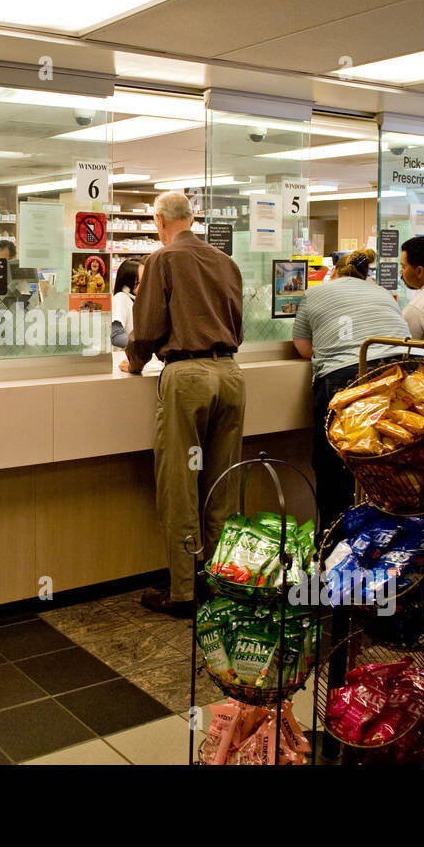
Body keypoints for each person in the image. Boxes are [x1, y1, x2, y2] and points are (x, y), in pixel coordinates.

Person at [120, 191, 244, 618]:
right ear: (192, 218)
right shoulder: (225, 262)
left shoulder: (162, 259)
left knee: (180, 484)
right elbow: (238, 328)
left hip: (187, 376)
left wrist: (133, 362)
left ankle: (184, 591)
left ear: (159, 221)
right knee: (222, 482)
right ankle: (222, 580)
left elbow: (149, 326)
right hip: (229, 374)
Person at [292, 249, 415, 530]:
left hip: (347, 376)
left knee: (335, 467)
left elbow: (303, 348)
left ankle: (335, 546)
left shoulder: (315, 294)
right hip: (403, 375)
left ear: (333, 272)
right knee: (393, 464)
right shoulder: (382, 292)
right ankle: (397, 543)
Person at [111, 257, 144, 348]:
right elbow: (116, 337)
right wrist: (142, 348)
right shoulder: (121, 298)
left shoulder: (137, 300)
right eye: (142, 281)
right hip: (125, 358)